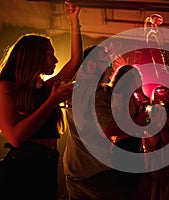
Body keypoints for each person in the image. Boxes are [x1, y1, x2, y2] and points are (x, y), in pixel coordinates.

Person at [0, 2, 82, 199]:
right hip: (22, 166)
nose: (55, 60)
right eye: (49, 54)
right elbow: (15, 137)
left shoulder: (44, 88)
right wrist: (52, 101)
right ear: (33, 55)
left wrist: (74, 22)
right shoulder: (5, 87)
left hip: (46, 162)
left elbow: (75, 62)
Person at [63, 45, 124, 200]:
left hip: (73, 165)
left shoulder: (71, 90)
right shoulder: (99, 93)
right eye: (107, 64)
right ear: (90, 65)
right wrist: (138, 125)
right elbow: (108, 129)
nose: (111, 70)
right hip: (95, 169)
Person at [94, 64, 150, 200]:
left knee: (134, 188)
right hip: (124, 145)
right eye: (136, 78)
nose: (139, 82)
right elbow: (114, 126)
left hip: (133, 145)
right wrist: (137, 120)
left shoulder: (132, 98)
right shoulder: (117, 97)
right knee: (126, 189)